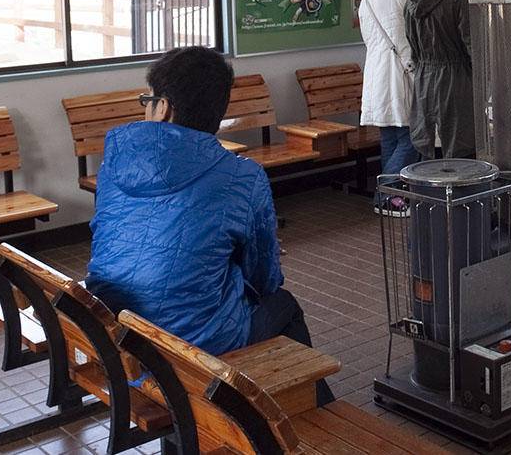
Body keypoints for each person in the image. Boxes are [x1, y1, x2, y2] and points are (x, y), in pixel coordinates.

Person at [85, 46, 332, 406]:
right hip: (191, 350)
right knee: (283, 306)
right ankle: (307, 416)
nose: (146, 108)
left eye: (147, 101)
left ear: (163, 107)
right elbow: (265, 280)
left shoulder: (113, 164)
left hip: (116, 335)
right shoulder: (241, 176)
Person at [406, 0, 478, 159]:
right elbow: (472, 45)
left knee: (429, 149)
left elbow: (411, 41)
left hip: (424, 78)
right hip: (456, 80)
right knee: (460, 151)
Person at [359, 0, 417, 216]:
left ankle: (394, 198)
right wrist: (414, 69)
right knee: (411, 137)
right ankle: (386, 194)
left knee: (390, 138)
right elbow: (405, 38)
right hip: (399, 72)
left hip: (375, 72)